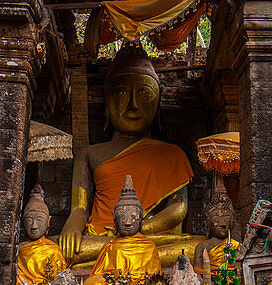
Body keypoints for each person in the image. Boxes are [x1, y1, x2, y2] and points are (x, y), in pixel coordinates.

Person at [57, 44, 194, 265]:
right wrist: (72, 228)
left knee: (199, 247)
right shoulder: (89, 154)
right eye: (121, 92)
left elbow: (178, 209)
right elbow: (79, 208)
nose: (132, 104)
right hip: (101, 236)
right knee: (54, 250)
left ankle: (110, 258)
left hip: (149, 236)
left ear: (157, 104)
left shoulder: (172, 154)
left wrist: (140, 228)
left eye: (144, 93)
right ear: (106, 104)